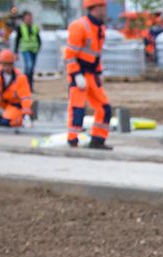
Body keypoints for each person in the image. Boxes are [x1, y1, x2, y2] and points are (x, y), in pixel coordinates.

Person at [64, 0, 111, 149]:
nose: (105, 10)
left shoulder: (100, 28)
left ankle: (98, 140)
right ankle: (72, 140)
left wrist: (99, 73)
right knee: (77, 108)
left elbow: (96, 55)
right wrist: (76, 75)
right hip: (79, 74)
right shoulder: (79, 26)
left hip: (91, 74)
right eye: (103, 7)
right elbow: (70, 54)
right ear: (96, 8)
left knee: (105, 108)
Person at [0, 49, 32, 127]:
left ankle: (21, 118)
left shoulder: (21, 78)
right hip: (3, 100)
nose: (6, 67)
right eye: (4, 64)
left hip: (14, 104)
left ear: (12, 64)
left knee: (6, 123)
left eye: (8, 64)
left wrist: (26, 115)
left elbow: (25, 98)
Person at [12, 10, 41, 85]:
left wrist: (38, 47)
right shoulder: (21, 27)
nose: (29, 19)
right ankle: (25, 84)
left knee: (31, 69)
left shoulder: (35, 27)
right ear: (24, 19)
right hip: (25, 49)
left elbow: (38, 38)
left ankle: (30, 86)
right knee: (29, 66)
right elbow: (17, 40)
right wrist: (15, 52)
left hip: (34, 50)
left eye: (30, 18)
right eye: (27, 18)